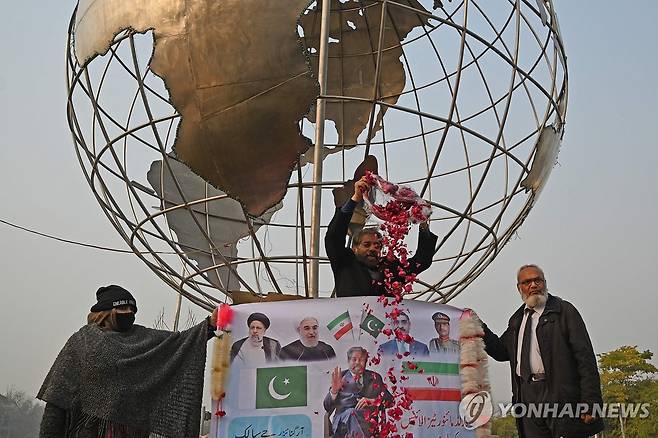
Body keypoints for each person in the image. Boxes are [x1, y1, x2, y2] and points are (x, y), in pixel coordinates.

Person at [38, 285, 218, 438]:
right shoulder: (82, 342)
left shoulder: (141, 337)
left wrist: (210, 324)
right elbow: (57, 398)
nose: (129, 313)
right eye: (123, 309)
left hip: (132, 432)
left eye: (132, 310)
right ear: (106, 312)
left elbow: (178, 343)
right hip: (88, 431)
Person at [481, 265, 604, 438]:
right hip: (527, 395)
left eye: (537, 280)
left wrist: (591, 402)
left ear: (545, 283)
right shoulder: (517, 319)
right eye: (527, 282)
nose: (533, 285)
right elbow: (502, 352)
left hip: (560, 395)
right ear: (519, 288)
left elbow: (585, 359)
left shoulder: (564, 311)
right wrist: (478, 328)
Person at [325, 176, 438, 297]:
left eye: (377, 245)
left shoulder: (391, 269)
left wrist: (423, 222)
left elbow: (422, 261)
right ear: (354, 248)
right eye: (366, 244)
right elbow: (334, 238)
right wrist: (355, 199)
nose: (373, 248)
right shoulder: (345, 262)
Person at [323, 347, 393, 438]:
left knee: (356, 416)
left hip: (368, 424)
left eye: (361, 360)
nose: (357, 363)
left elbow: (390, 401)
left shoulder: (375, 377)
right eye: (354, 359)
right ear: (348, 361)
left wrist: (373, 401)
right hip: (344, 424)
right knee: (352, 413)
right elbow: (327, 406)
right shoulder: (341, 377)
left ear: (366, 362)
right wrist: (334, 391)